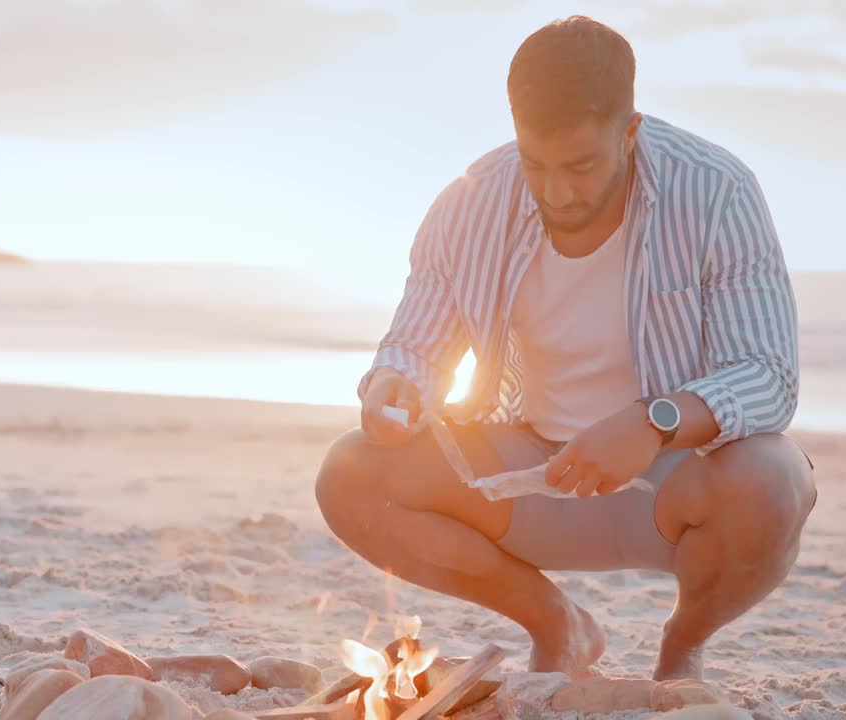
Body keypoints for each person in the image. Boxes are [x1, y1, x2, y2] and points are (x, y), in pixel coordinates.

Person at [314, 16, 818, 681]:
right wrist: (393, 388)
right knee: (352, 474)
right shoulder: (471, 201)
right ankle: (561, 628)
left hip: (672, 483)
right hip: (529, 478)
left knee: (774, 481)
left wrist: (651, 420)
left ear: (629, 130)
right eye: (536, 164)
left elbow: (767, 378)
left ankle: (681, 650)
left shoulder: (717, 191)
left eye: (582, 166)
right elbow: (415, 346)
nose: (558, 193)